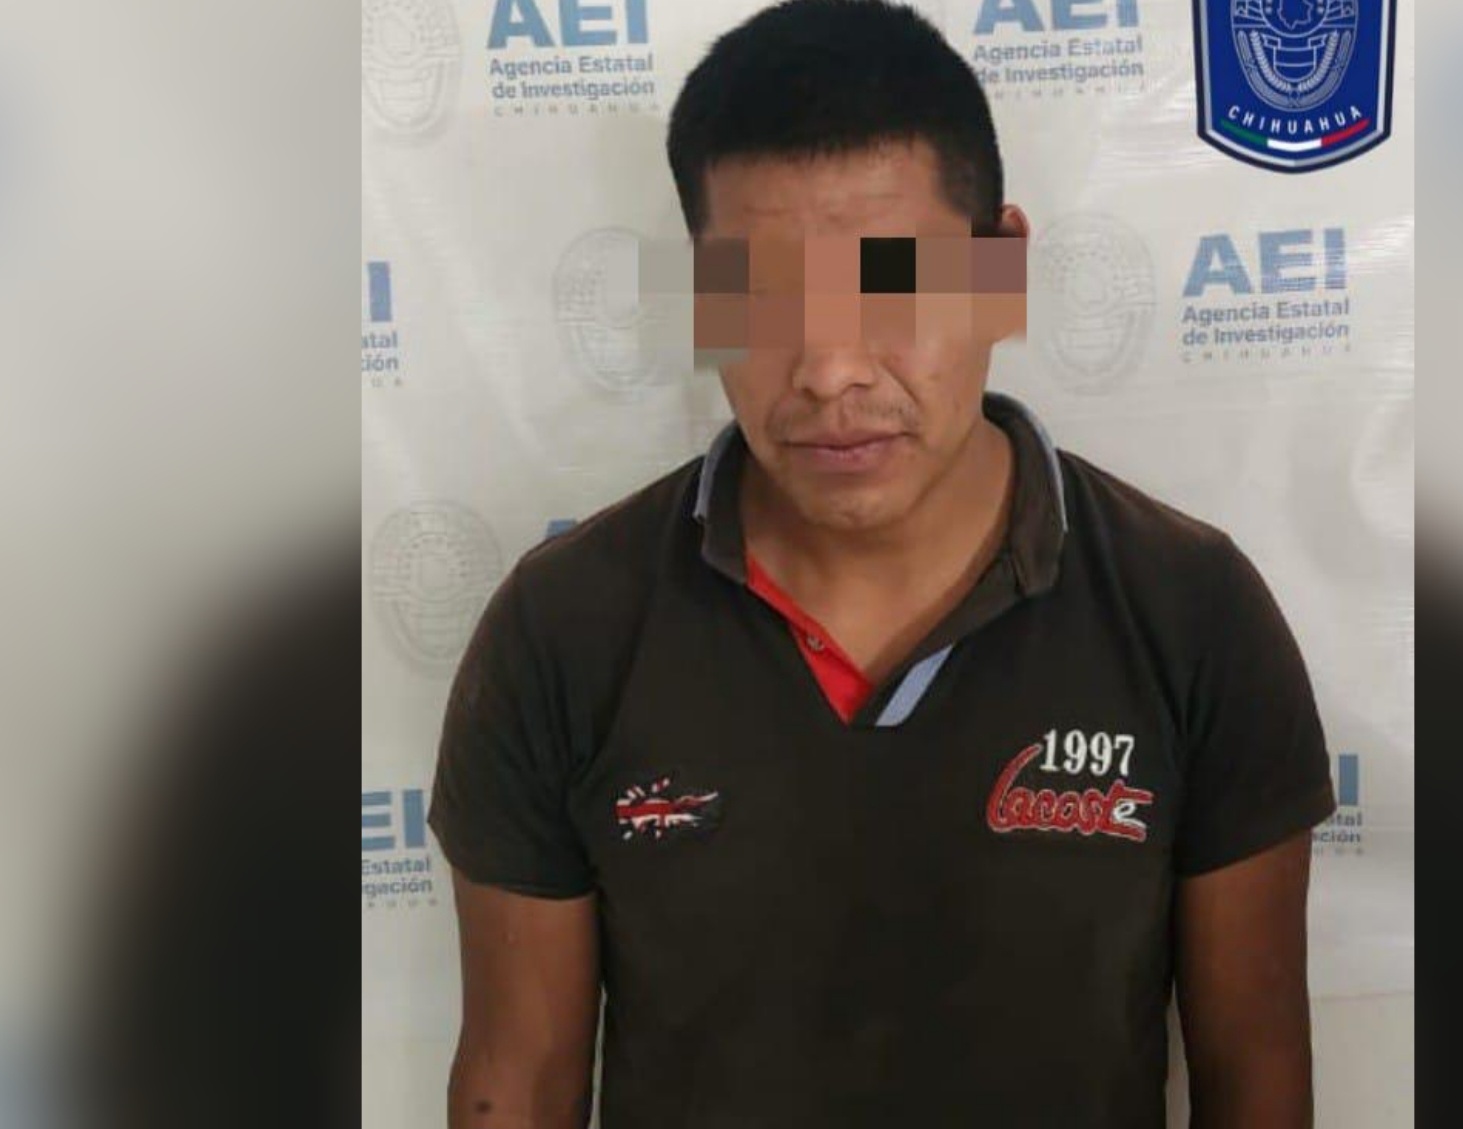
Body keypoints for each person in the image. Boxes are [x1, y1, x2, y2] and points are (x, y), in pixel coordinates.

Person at [429, 3, 1335, 1126]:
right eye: (762, 295)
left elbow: (1257, 1077)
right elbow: (515, 1083)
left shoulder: (1192, 613)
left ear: (1001, 270)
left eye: (893, 282)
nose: (831, 371)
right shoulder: (563, 628)